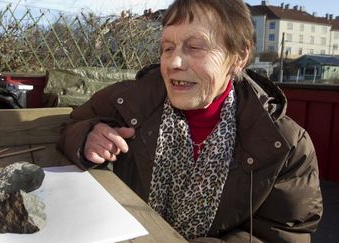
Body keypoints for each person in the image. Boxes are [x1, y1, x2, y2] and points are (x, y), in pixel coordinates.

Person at [58, 0, 323, 242]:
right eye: (167, 48)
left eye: (195, 47)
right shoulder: (126, 101)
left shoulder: (286, 146)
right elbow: (70, 126)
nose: (173, 62)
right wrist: (87, 136)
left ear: (239, 57)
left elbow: (285, 233)